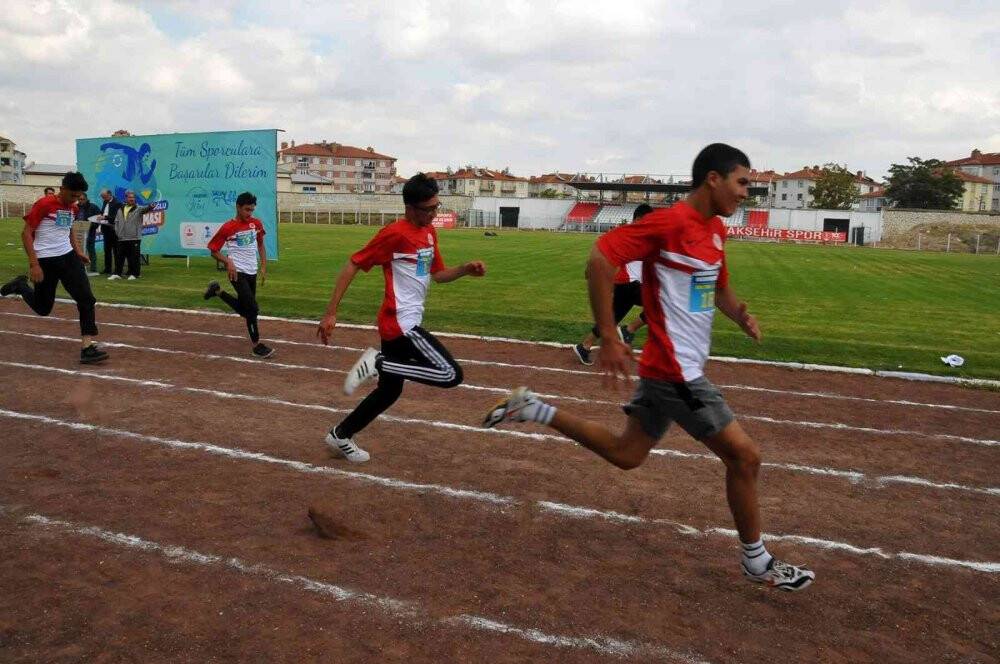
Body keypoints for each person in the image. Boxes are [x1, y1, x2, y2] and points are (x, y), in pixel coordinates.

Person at [484, 144, 815, 592]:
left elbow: (718, 287)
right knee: (745, 456)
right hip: (675, 372)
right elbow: (600, 259)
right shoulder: (669, 222)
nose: (746, 193)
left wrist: (739, 314)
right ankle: (756, 561)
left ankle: (532, 409)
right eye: (742, 183)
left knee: (627, 455)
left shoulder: (716, 229)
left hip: (675, 369)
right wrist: (608, 333)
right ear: (713, 179)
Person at [316, 173, 486, 464]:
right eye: (427, 209)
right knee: (450, 374)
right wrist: (331, 311)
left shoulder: (430, 233)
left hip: (405, 321)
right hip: (401, 323)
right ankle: (376, 362)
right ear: (409, 207)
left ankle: (340, 435)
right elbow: (353, 264)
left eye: (436, 207)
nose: (433, 213)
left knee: (389, 391)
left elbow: (438, 275)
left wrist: (465, 269)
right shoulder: (394, 234)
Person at [0, 172, 109, 364]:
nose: (75, 200)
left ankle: (87, 348)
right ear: (62, 189)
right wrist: (34, 264)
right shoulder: (44, 204)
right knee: (43, 308)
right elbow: (26, 234)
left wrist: (78, 252)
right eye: (73, 195)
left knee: (86, 299)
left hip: (68, 258)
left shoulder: (72, 209)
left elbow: (68, 231)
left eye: (78, 197)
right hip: (45, 261)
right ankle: (20, 286)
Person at [573, 203, 652, 365]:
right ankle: (628, 330)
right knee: (660, 304)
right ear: (638, 219)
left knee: (610, 320)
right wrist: (590, 269)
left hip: (626, 286)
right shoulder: (626, 233)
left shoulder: (646, 237)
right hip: (629, 284)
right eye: (648, 220)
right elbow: (601, 246)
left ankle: (584, 346)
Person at [204, 191, 274, 359]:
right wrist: (229, 262)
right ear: (238, 207)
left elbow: (261, 246)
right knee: (252, 308)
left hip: (252, 271)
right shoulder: (228, 227)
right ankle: (257, 346)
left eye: (252, 210)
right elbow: (213, 250)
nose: (249, 213)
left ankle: (217, 292)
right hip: (236, 272)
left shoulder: (255, 224)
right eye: (246, 210)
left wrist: (263, 267)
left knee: (248, 309)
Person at [110, 190, 154, 280]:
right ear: (126, 198)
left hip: (134, 238)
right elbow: (116, 222)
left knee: (134, 257)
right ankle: (117, 273)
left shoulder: (139, 209)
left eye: (133, 198)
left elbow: (146, 209)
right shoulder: (120, 209)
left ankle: (135, 274)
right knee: (119, 257)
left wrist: (150, 206)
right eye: (130, 197)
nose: (132, 199)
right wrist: (118, 233)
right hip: (122, 238)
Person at [76, 192, 102, 276]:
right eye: (79, 199)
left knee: (91, 250)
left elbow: (98, 219)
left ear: (86, 199)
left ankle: (93, 268)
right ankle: (78, 268)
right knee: (77, 251)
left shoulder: (93, 207)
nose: (81, 201)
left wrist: (91, 225)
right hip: (77, 234)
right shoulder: (75, 207)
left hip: (90, 233)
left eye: (83, 199)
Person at [97, 188, 122, 275]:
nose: (104, 199)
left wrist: (105, 217)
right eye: (103, 197)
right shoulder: (105, 202)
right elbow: (103, 212)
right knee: (107, 250)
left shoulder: (117, 203)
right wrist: (100, 215)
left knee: (116, 250)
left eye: (105, 197)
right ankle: (107, 269)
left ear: (110, 194)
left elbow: (116, 217)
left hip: (114, 229)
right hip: (106, 228)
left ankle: (117, 270)